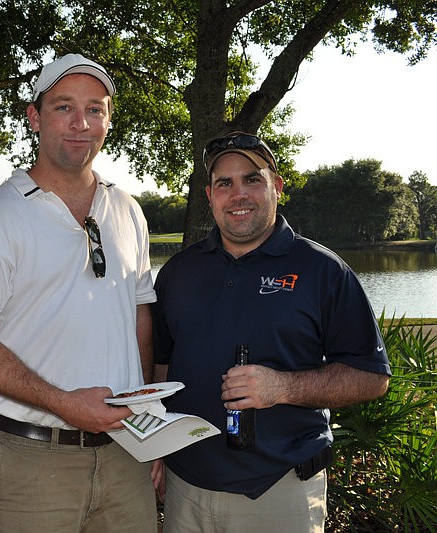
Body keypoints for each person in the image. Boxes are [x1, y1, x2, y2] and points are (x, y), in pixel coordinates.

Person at [0, 53, 160, 533]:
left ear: (108, 121)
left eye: (95, 109)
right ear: (35, 118)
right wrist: (63, 403)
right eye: (64, 107)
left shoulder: (127, 209)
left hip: (125, 456)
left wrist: (148, 423)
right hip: (28, 465)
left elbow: (139, 315)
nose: (81, 123)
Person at [153, 131, 392, 532]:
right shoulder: (178, 272)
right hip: (186, 490)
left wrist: (282, 387)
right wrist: (156, 445)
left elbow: (372, 378)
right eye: (224, 183)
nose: (238, 194)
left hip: (280, 493)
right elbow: (161, 367)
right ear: (210, 195)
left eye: (252, 179)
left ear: (277, 186)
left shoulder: (323, 270)